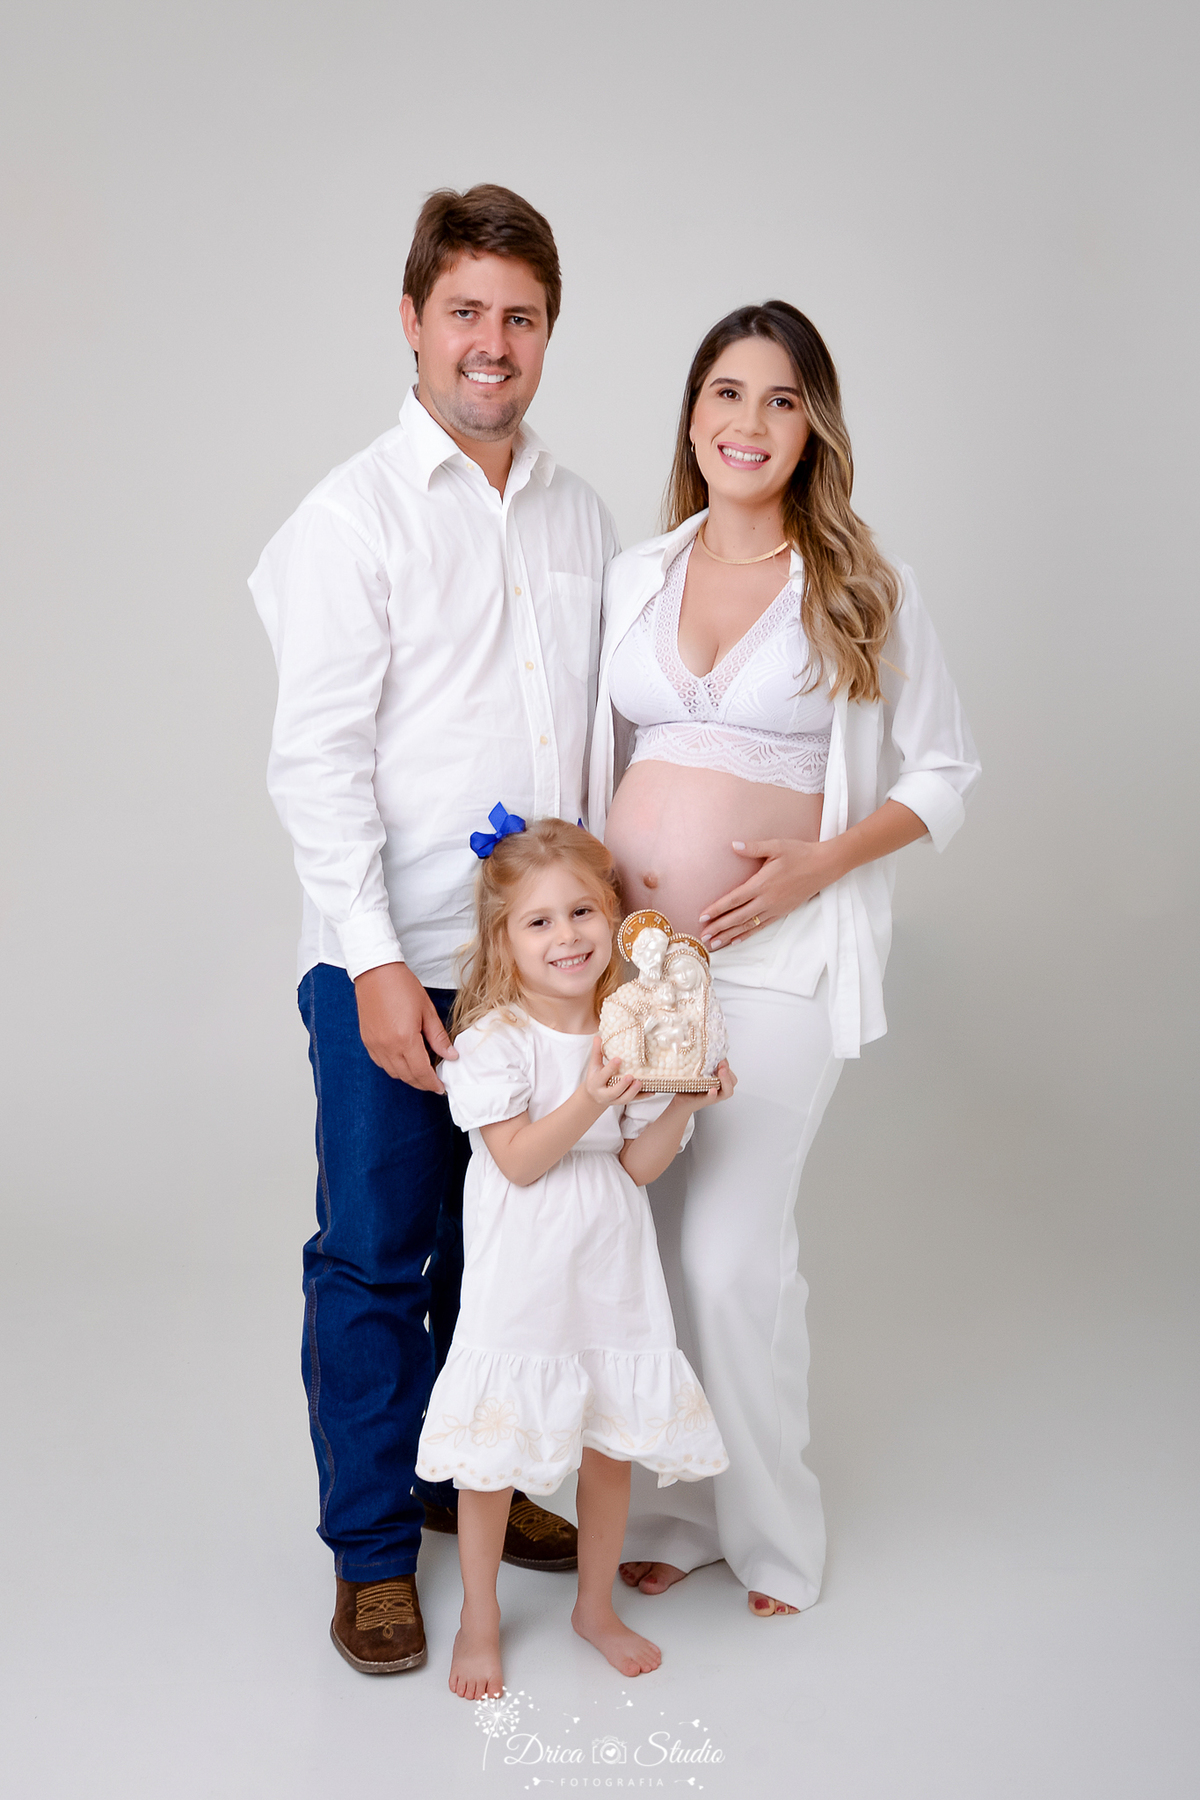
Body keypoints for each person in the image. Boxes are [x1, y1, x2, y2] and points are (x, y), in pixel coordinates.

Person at [249, 185, 619, 1674]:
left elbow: (594, 743)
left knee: (504, 1243)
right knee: (376, 1253)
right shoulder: (350, 518)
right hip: (393, 954)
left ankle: (474, 1474)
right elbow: (315, 761)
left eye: (520, 317)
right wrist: (376, 961)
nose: (491, 342)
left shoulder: (581, 515)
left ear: (548, 334)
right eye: (465, 310)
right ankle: (371, 1552)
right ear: (412, 323)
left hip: (541, 961)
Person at [588, 300, 981, 1618]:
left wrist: (824, 859)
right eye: (727, 392)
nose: (748, 422)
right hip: (639, 969)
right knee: (649, 1248)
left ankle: (774, 1535)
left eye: (782, 399)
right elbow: (599, 762)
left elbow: (946, 772)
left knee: (729, 1258)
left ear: (814, 429)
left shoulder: (862, 583)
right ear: (693, 414)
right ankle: (681, 1514)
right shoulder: (636, 574)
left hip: (782, 965)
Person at [415, 815, 733, 1699]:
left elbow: (635, 1167)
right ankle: (481, 1617)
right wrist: (590, 1096)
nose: (567, 935)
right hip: (525, 1266)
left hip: (608, 1259)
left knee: (610, 1441)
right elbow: (518, 1161)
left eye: (583, 912)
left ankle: (595, 1607)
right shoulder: (495, 1040)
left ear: (615, 920)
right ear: (503, 940)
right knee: (493, 1454)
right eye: (540, 920)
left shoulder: (626, 1030)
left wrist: (685, 1100)